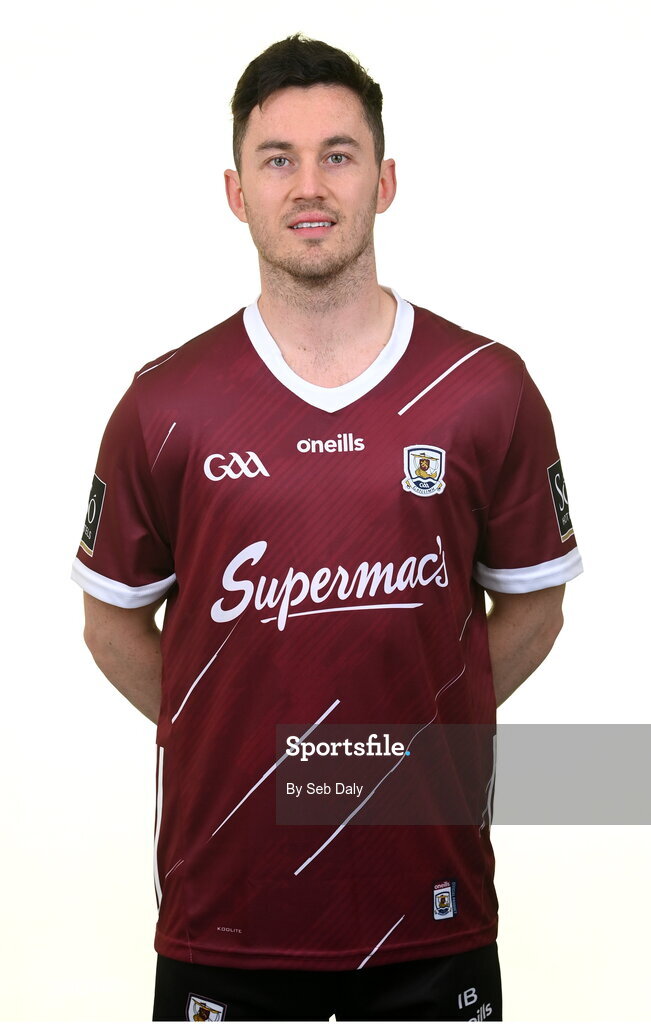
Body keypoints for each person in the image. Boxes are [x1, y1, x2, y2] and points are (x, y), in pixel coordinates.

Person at [72, 33, 583, 1022]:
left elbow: (535, 609)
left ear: (385, 180)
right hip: (225, 914)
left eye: (338, 155)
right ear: (236, 191)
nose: (310, 186)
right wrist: (251, 751)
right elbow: (110, 628)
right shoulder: (167, 404)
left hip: (430, 911)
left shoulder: (482, 389)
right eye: (279, 159)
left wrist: (399, 760)